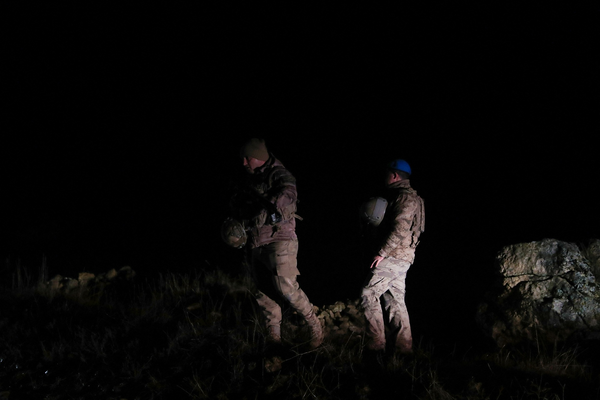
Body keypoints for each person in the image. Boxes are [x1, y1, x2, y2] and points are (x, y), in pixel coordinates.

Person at [226, 138, 323, 349]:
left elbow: (288, 195)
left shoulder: (280, 175)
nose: (244, 163)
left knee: (286, 287)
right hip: (255, 241)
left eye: (248, 158)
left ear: (258, 157)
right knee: (262, 292)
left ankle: (314, 324)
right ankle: (274, 337)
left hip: (280, 239)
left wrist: (264, 209)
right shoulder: (249, 178)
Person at [360, 158, 425, 354]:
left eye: (387, 174)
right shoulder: (412, 197)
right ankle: (403, 350)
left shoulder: (404, 198)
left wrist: (382, 252)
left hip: (394, 255)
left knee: (368, 294)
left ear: (395, 175)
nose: (385, 177)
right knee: (395, 300)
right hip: (404, 256)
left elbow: (400, 228)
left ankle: (375, 346)